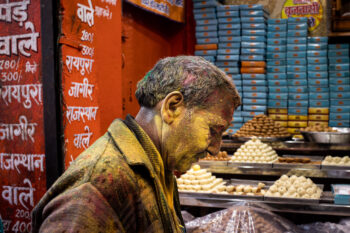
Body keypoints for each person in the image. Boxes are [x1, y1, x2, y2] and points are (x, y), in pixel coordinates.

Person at [31, 56, 241, 233]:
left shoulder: (159, 167)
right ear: (172, 107)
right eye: (214, 130)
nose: (215, 148)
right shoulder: (98, 185)